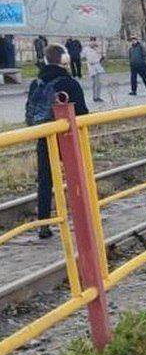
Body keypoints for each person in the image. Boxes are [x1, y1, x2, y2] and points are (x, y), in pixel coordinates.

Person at [27, 44, 89, 239]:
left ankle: (44, 224)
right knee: (77, 176)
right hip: (68, 138)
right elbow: (82, 112)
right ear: (64, 60)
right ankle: (84, 219)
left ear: (45, 59)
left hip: (45, 136)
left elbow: (30, 113)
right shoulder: (70, 83)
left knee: (45, 180)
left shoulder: (36, 83)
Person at [82, 37, 105, 102]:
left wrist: (101, 55)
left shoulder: (96, 49)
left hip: (97, 67)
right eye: (92, 41)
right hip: (92, 67)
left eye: (94, 41)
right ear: (90, 42)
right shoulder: (86, 49)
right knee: (96, 82)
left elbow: (100, 58)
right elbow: (84, 56)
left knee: (98, 83)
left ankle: (97, 96)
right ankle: (95, 97)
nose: (93, 42)